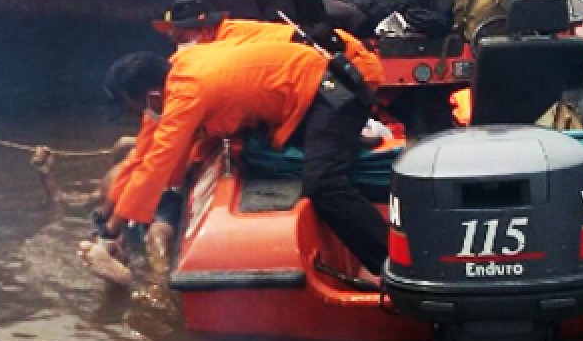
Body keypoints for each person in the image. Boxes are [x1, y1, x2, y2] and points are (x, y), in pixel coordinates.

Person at [93, 36, 388, 286]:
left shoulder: (187, 94)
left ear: (152, 96)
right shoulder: (180, 69)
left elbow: (155, 167)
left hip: (329, 94)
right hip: (302, 98)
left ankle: (393, 263)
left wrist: (113, 232)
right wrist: (107, 222)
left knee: (323, 184)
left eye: (133, 109)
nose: (136, 118)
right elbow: (144, 153)